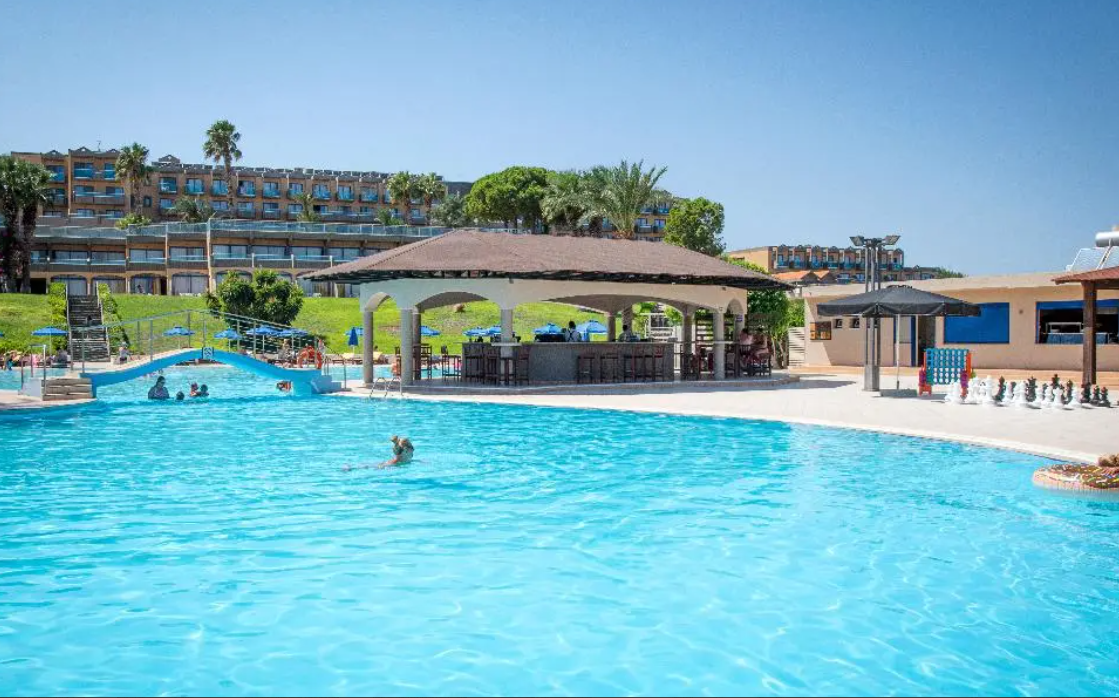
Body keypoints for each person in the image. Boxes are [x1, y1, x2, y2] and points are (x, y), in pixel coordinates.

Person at [344, 435, 414, 471]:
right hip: (382, 466)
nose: (412, 454)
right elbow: (374, 467)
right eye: (412, 451)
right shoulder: (392, 463)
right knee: (369, 466)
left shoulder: (402, 461)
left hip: (383, 464)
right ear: (406, 451)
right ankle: (351, 467)